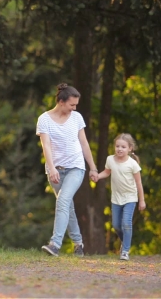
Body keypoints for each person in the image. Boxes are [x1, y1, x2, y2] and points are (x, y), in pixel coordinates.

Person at [36, 83, 99, 257]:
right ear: (61, 102)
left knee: (63, 201)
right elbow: (46, 145)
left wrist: (93, 168)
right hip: (55, 170)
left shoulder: (77, 118)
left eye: (76, 105)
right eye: (72, 104)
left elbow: (84, 143)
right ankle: (78, 244)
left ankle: (55, 244)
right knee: (67, 206)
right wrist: (52, 167)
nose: (74, 108)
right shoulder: (44, 119)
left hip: (76, 168)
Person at [92, 133, 146, 261]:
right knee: (116, 225)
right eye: (117, 146)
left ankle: (125, 251)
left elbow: (139, 183)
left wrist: (142, 200)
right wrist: (98, 176)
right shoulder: (110, 159)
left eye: (123, 147)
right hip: (116, 198)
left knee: (126, 223)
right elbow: (107, 172)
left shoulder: (132, 164)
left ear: (130, 148)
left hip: (130, 198)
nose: (119, 149)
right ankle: (125, 241)